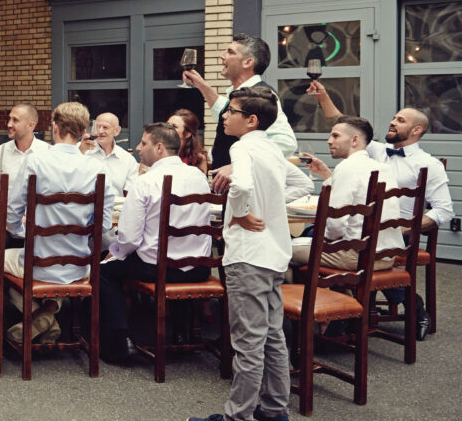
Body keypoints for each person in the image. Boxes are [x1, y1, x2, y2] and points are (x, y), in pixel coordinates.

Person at [186, 86, 311, 421]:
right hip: (273, 254)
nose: (224, 115)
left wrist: (240, 213)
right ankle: (274, 410)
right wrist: (267, 202)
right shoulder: (271, 149)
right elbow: (303, 182)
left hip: (249, 256)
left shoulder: (243, 147)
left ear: (251, 120)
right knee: (272, 335)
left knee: (248, 341)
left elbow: (239, 185)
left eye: (231, 111)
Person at [307, 81, 453, 335]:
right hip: (362, 232)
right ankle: (343, 312)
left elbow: (443, 211)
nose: (393, 122)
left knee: (313, 241)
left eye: (401, 120)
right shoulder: (377, 152)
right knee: (312, 233)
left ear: (417, 130)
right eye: (394, 118)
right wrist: (324, 98)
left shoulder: (429, 165)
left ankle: (411, 304)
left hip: (400, 236)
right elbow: (347, 125)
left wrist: (403, 228)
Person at [99, 123, 212, 363]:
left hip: (157, 269)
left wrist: (114, 252)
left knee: (104, 271)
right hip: (199, 269)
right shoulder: (199, 177)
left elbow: (129, 238)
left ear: (159, 147)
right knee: (162, 256)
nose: (139, 148)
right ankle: (182, 334)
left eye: (144, 143)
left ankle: (121, 341)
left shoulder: (146, 181)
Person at [4, 102, 116, 343]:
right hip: (80, 266)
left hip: (38, 263)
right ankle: (49, 313)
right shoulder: (98, 168)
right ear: (83, 132)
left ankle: (41, 318)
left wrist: (21, 232)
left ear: (54, 127)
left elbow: (12, 212)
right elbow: (103, 226)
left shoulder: (36, 162)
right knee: (54, 269)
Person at [182, 35, 297, 192]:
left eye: (230, 52)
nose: (222, 56)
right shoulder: (241, 94)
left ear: (248, 62)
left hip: (247, 192)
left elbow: (286, 142)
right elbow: (225, 114)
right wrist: (201, 85)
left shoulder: (261, 95)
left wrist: (236, 167)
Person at [291, 116, 403, 272]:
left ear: (354, 140)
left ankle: (300, 296)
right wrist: (327, 175)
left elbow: (335, 226)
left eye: (335, 136)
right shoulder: (383, 168)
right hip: (386, 256)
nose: (329, 141)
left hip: (356, 256)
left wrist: (322, 238)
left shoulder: (347, 167)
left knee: (283, 251)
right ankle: (340, 294)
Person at [0, 103, 49, 192]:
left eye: (15, 120)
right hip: (5, 206)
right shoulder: (0, 152)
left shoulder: (48, 152)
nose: (9, 124)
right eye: (9, 119)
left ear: (31, 125)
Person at [79, 112, 138, 196]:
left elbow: (130, 193)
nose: (100, 131)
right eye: (98, 127)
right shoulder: (81, 150)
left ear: (116, 131)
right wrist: (80, 152)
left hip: (116, 207)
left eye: (105, 127)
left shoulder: (127, 159)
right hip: (87, 206)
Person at [167, 109, 208, 173]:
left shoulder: (199, 158)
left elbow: (200, 181)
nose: (167, 129)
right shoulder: (159, 152)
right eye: (167, 125)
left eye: (174, 126)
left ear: (187, 134)